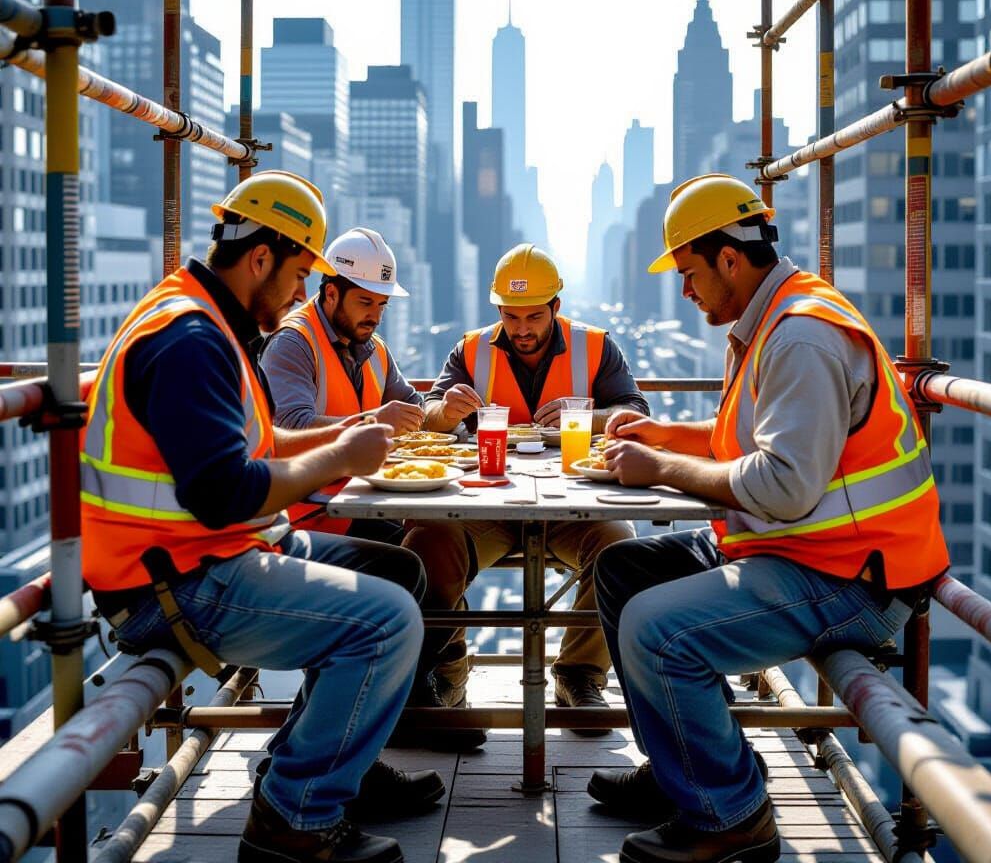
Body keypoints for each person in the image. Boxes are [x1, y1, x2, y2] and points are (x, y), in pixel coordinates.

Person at [80, 171, 444, 863]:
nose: (303, 293)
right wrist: (341, 453)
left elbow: (263, 445)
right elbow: (228, 492)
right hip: (174, 584)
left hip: (199, 556)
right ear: (260, 258)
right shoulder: (191, 340)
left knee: (395, 568)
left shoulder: (206, 321)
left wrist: (352, 438)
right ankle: (293, 820)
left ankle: (313, 765)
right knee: (386, 621)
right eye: (301, 274)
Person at [584, 175, 950, 863]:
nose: (685, 292)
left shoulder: (799, 337)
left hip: (854, 578)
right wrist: (662, 436)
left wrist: (659, 470)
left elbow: (782, 485)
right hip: (805, 552)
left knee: (655, 629)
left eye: (690, 273)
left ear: (729, 258)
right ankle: (681, 774)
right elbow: (751, 445)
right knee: (624, 569)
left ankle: (730, 818)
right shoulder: (771, 320)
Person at [401, 243, 650, 746]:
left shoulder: (597, 347)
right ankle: (444, 680)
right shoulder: (470, 350)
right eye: (511, 317)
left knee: (618, 546)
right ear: (497, 311)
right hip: (485, 502)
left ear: (556, 306)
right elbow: (427, 416)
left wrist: (589, 417)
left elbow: (635, 414)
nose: (522, 329)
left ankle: (578, 676)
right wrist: (446, 412)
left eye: (534, 315)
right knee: (427, 541)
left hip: (570, 505)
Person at [261, 227, 425, 541]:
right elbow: (290, 429)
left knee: (439, 539)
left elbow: (412, 407)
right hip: (307, 515)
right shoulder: (292, 343)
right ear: (331, 293)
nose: (375, 316)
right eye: (365, 302)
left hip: (357, 500)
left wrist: (444, 413)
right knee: (418, 556)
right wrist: (372, 422)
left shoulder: (373, 347)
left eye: (382, 305)